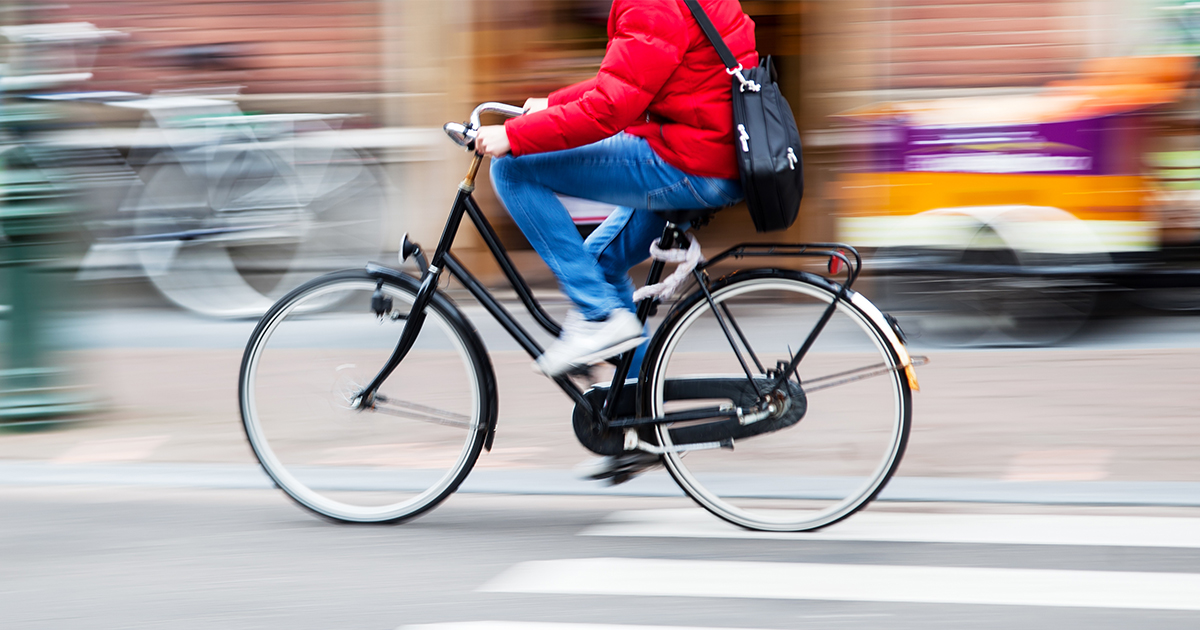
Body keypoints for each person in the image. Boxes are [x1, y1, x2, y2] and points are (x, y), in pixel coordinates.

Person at [475, 0, 757, 378]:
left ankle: (598, 315)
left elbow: (609, 109)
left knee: (511, 169)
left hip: (689, 162)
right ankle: (639, 408)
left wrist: (513, 136)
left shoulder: (651, 4)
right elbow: (638, 77)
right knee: (599, 265)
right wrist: (554, 103)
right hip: (712, 154)